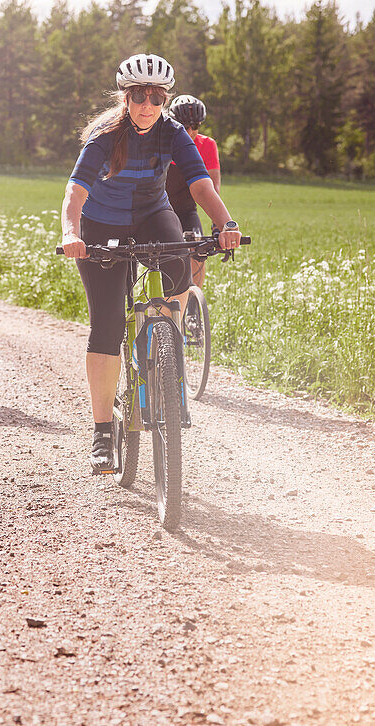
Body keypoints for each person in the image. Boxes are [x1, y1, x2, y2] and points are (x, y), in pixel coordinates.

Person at [59, 54, 242, 473]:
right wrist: (71, 233)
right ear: (125, 97)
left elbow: (199, 184)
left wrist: (225, 222)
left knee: (180, 263)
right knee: (105, 326)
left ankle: (166, 356)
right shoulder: (105, 136)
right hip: (101, 224)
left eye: (156, 97)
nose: (147, 104)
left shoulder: (173, 132)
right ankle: (103, 432)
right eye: (139, 95)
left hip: (151, 215)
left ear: (164, 99)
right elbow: (75, 192)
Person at [165, 94, 221, 288]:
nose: (189, 132)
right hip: (159, 210)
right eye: (183, 125)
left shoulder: (207, 145)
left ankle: (192, 306)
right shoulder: (162, 143)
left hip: (187, 210)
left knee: (199, 250)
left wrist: (217, 225)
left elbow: (213, 189)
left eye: (195, 126)